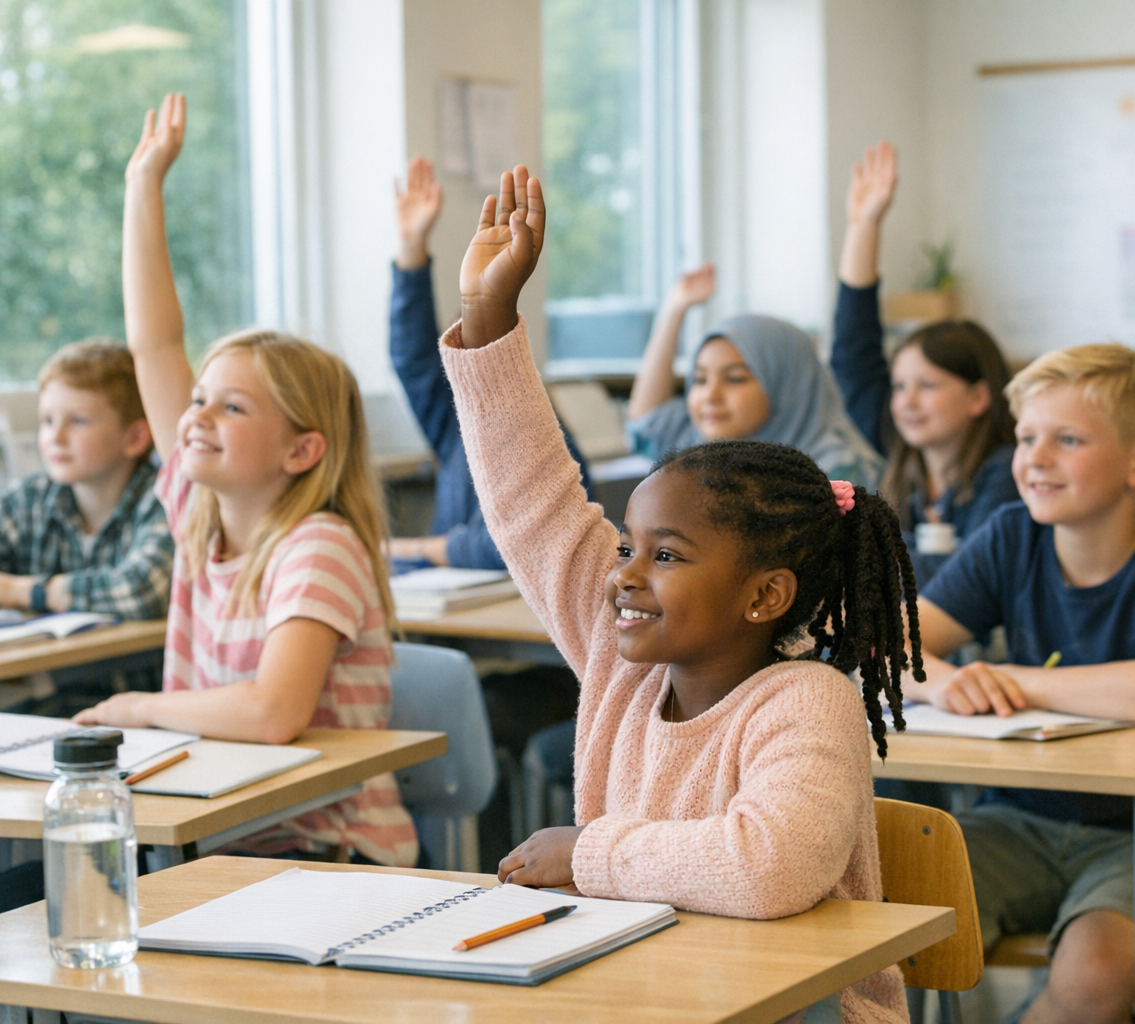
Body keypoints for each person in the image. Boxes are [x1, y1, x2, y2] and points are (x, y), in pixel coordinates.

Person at [0, 93, 418, 1024]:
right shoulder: (201, 517)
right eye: (197, 402)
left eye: (231, 408)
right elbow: (153, 343)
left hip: (316, 862)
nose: (196, 416)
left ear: (302, 450)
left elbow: (272, 710)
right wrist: (143, 185)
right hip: (203, 845)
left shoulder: (320, 545)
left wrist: (135, 708)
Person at [442, 164, 920, 1024]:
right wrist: (488, 315)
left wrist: (592, 855)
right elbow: (533, 503)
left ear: (765, 595)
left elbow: (767, 865)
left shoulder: (807, 702)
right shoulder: (623, 666)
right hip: (650, 998)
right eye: (627, 546)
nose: (624, 574)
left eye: (665, 555)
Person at [907, 343, 1135, 1024]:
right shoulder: (1011, 537)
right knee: (874, 914)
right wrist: (940, 683)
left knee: (1096, 972)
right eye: (1026, 438)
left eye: (1067, 440)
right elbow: (886, 645)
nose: (1034, 459)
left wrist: (1028, 684)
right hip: (1020, 822)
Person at [0, 338, 174, 712]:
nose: (54, 437)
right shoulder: (31, 498)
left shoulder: (163, 497)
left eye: (78, 421)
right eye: (47, 421)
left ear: (135, 437)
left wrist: (17, 591)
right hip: (56, 705)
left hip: (143, 711)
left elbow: (140, 591)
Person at [388, 156, 595, 569]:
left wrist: (423, 549)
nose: (471, 370)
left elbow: (520, 547)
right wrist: (411, 249)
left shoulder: (549, 448)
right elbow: (413, 360)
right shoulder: (456, 427)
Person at [830, 141, 1017, 590]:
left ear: (978, 397)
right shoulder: (904, 453)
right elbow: (853, 356)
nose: (906, 402)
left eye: (927, 386)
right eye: (898, 387)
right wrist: (863, 225)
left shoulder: (1007, 475)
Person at [626, 267, 884, 490]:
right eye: (700, 379)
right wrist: (675, 308)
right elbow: (644, 423)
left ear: (788, 388)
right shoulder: (697, 447)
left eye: (735, 379)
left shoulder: (836, 475)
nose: (711, 396)